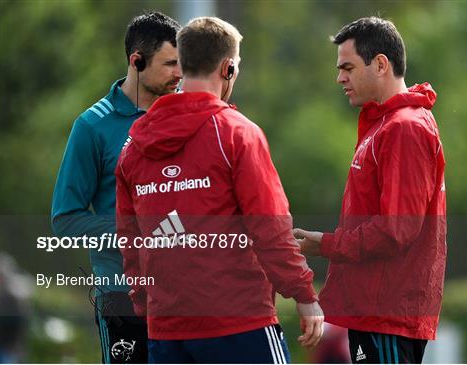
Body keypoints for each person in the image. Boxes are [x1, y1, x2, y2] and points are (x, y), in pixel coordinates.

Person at [115, 16, 324, 364]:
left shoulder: (132, 148)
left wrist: (145, 304)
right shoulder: (236, 133)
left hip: (168, 331)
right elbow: (269, 225)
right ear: (227, 69)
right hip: (239, 324)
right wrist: (303, 293)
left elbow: (130, 238)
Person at [294, 17, 447, 364]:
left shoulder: (405, 128)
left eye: (347, 67)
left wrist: (327, 244)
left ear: (380, 64)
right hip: (375, 313)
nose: (340, 78)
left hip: (388, 315)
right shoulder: (384, 125)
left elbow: (397, 231)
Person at [51, 12, 182, 363]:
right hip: (122, 298)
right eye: (170, 64)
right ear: (136, 61)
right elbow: (65, 220)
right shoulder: (92, 126)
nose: (179, 74)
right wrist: (137, 232)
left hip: (187, 294)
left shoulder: (187, 116)